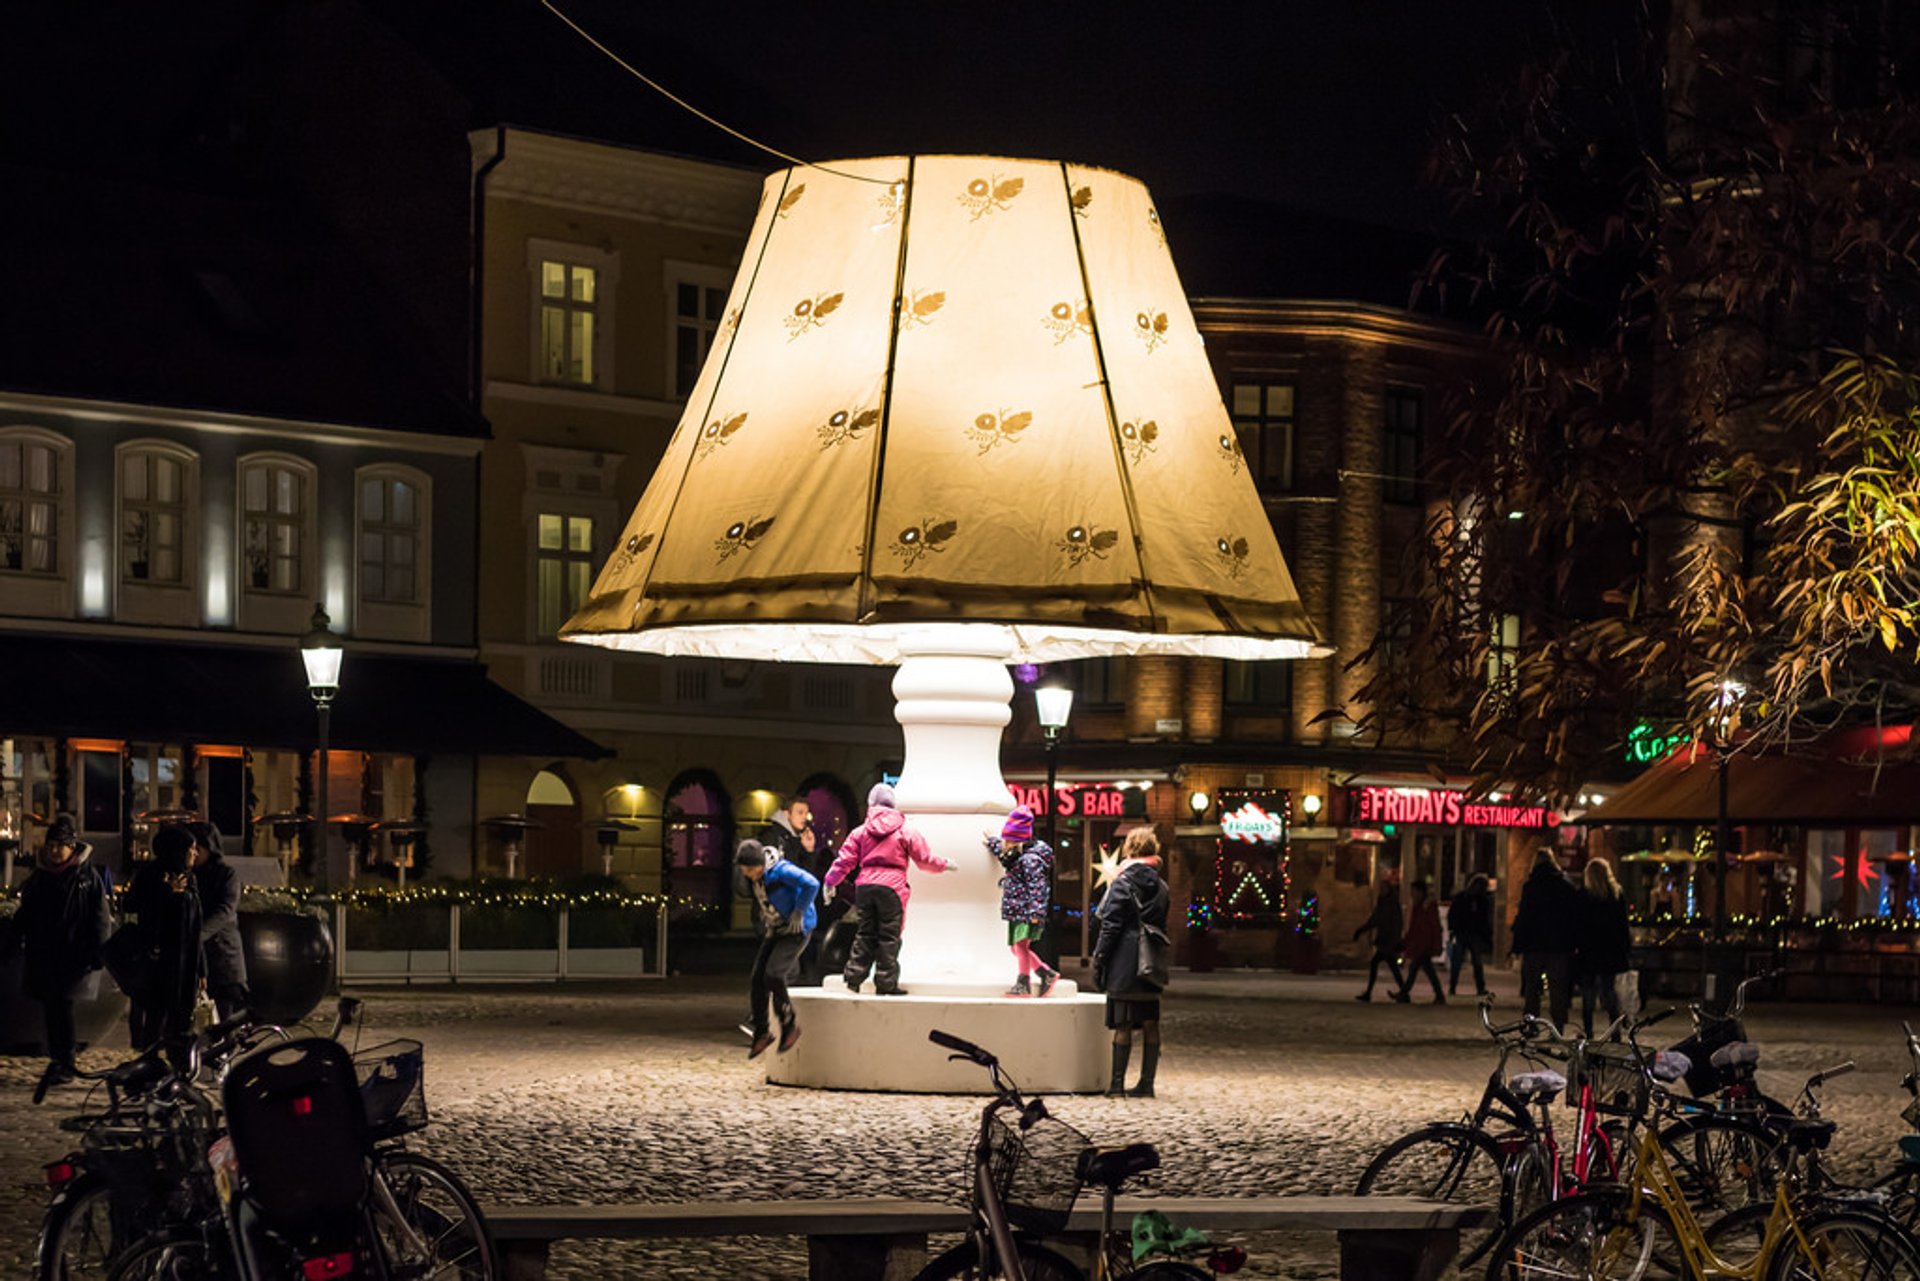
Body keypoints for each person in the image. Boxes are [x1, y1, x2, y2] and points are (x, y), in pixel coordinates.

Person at [0, 814, 111, 1085]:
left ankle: (66, 1061)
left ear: (71, 847)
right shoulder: (39, 878)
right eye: (50, 845)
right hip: (45, 954)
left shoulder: (86, 877)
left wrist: (98, 951)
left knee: (63, 1007)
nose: (53, 850)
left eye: (59, 845)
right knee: (53, 1008)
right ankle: (59, 1059)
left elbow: (99, 916)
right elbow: (25, 917)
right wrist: (9, 946)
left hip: (73, 954)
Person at [825, 783, 951, 995]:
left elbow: (844, 860)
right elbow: (924, 859)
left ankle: (854, 979)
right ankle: (885, 983)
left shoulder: (860, 832)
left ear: (870, 805)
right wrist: (944, 864)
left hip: (865, 887)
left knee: (865, 933)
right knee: (889, 937)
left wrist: (831, 881)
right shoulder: (905, 830)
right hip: (892, 888)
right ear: (893, 804)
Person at [1093, 828, 1170, 1097]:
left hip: (1124, 960)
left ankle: (1116, 1085)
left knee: (1123, 1024)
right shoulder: (1161, 886)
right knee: (1150, 1022)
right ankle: (1146, 1085)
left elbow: (1111, 925)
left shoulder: (1122, 882)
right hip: (1150, 959)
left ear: (1129, 849)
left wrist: (1100, 958)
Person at [124, 824, 205, 1055]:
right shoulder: (152, 875)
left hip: (185, 962)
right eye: (191, 849)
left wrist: (201, 968)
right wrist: (167, 893)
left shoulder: (190, 878)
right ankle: (150, 1065)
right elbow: (135, 908)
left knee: (181, 1018)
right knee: (155, 1017)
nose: (195, 854)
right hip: (158, 961)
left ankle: (177, 1066)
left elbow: (195, 927)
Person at [735, 839, 818, 1057]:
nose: (748, 874)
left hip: (797, 929)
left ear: (760, 864)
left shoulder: (782, 870)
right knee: (757, 978)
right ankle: (762, 1031)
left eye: (751, 869)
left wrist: (799, 911)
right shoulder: (757, 875)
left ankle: (790, 1024)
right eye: (745, 870)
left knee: (774, 974)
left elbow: (812, 883)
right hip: (776, 929)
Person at [986, 806, 1060, 998]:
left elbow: (1037, 887)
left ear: (1019, 841)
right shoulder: (1017, 855)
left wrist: (1036, 913)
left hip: (1026, 911)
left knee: (1020, 946)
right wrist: (991, 840)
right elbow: (1004, 855)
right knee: (1016, 947)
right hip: (1018, 909)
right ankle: (1045, 973)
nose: (1005, 845)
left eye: (1009, 841)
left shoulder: (1030, 860)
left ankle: (1023, 983)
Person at [1511, 847, 1582, 1030]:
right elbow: (1573, 916)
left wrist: (1518, 944)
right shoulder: (1565, 885)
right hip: (1559, 944)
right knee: (1558, 988)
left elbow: (1524, 916)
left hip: (1534, 944)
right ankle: (1558, 1025)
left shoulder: (1531, 886)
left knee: (1532, 988)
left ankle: (1531, 1024)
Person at [188, 821, 249, 1022]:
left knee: (224, 1016)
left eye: (199, 849)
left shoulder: (226, 875)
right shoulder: (190, 875)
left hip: (222, 955)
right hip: (198, 957)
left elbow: (225, 910)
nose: (195, 854)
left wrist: (199, 933)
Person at [1577, 857, 1633, 1036]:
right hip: (1610, 951)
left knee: (1588, 995)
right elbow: (1623, 926)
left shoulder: (1584, 896)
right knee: (1609, 992)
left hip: (1588, 952)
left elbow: (1577, 924)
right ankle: (1614, 1031)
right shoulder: (1616, 894)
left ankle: (1588, 1032)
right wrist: (1626, 950)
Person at [1352, 877, 1407, 1002]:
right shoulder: (1383, 903)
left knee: (1378, 964)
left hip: (1388, 941)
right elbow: (1374, 920)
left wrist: (1396, 939)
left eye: (1384, 888)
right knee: (1388, 966)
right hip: (1385, 940)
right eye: (1381, 888)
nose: (1381, 891)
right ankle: (1403, 992)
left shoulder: (1391, 904)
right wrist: (1361, 930)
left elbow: (1395, 923)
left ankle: (1370, 993)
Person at [1395, 879, 1445, 1004]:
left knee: (1416, 969)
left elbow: (1431, 926)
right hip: (1421, 944)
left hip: (1424, 945)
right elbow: (1414, 927)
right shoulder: (1418, 906)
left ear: (1420, 892)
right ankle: (1438, 995)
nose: (1412, 894)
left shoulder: (1426, 906)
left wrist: (1432, 943)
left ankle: (1403, 994)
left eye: (1414, 891)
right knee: (1426, 971)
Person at [1447, 873, 1495, 998]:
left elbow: (1484, 919)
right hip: (1465, 932)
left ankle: (1478, 987)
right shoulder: (1464, 898)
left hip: (1472, 933)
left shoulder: (1481, 900)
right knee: (1460, 962)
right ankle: (1454, 986)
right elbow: (1454, 914)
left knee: (1474, 962)